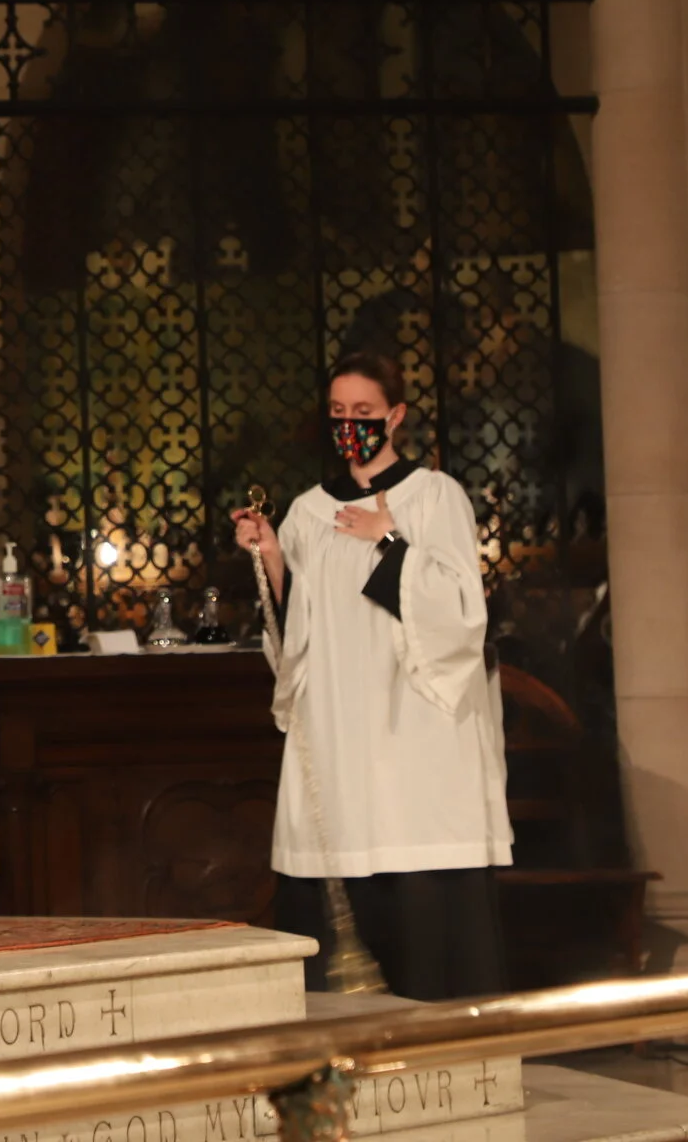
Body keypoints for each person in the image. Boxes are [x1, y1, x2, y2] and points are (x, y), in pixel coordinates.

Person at [232, 352, 510, 1000]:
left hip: (414, 741)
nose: (350, 425)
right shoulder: (307, 510)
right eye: (338, 413)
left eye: (363, 413)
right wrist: (271, 553)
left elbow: (459, 616)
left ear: (396, 416)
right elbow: (301, 622)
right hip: (338, 735)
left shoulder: (434, 497)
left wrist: (389, 539)